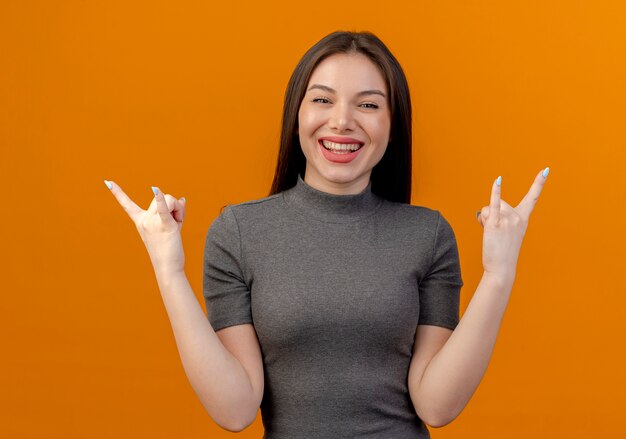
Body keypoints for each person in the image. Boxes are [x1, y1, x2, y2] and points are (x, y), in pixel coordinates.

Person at [105, 30, 549, 438]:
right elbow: (236, 409)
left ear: (392, 127)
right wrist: (169, 270)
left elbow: (436, 405)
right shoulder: (239, 233)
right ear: (296, 114)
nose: (342, 121)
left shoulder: (427, 235)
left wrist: (498, 274)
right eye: (322, 100)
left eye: (369, 104)